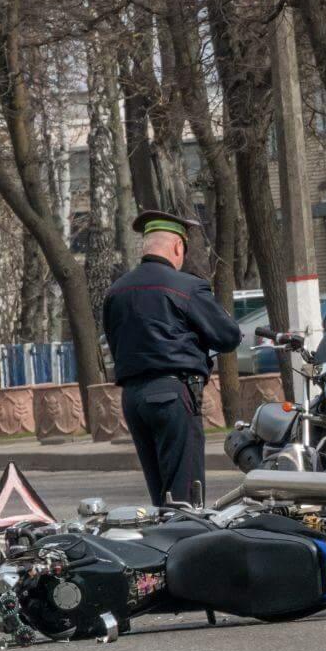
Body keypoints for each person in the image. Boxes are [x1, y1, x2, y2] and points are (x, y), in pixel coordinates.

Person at [102, 209, 241, 507]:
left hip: (132, 398)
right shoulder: (186, 287)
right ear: (178, 247)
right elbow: (228, 337)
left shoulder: (116, 291)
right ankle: (186, 550)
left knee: (160, 494)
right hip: (172, 395)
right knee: (185, 495)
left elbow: (114, 343)